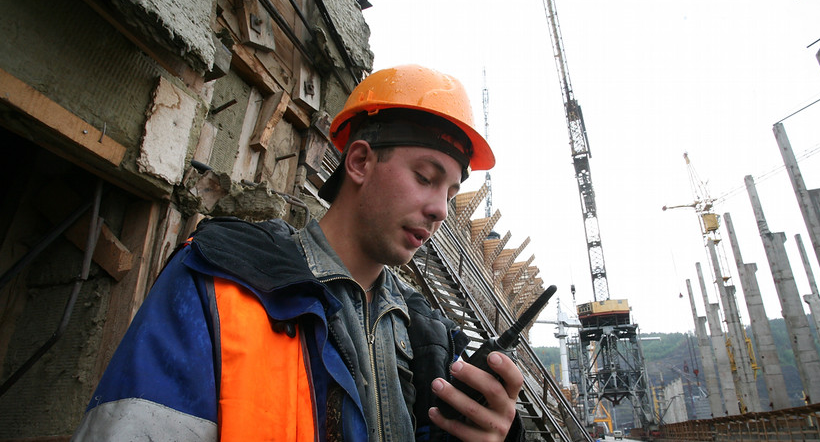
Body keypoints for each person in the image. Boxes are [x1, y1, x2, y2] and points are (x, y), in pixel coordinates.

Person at [73, 65, 525, 441]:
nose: (440, 209)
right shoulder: (222, 284)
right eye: (426, 177)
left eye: (450, 190)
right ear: (361, 162)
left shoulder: (428, 338)